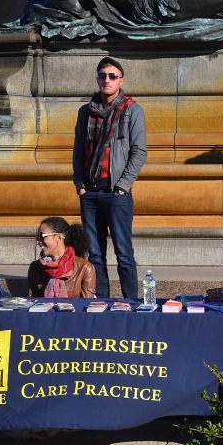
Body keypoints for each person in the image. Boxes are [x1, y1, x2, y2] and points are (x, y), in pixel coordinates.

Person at [73, 57, 146, 299]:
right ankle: (102, 302)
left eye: (112, 76)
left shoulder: (132, 110)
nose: (107, 79)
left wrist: (123, 186)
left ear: (120, 80)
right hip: (90, 193)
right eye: (102, 75)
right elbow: (78, 150)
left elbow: (139, 151)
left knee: (123, 253)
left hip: (116, 193)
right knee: (95, 254)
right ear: (97, 79)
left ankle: (131, 302)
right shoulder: (86, 112)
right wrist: (80, 185)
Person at [27, 217, 96, 298]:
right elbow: (32, 301)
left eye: (42, 236)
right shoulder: (35, 267)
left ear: (59, 237)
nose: (38, 241)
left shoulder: (85, 268)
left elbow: (87, 303)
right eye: (37, 237)